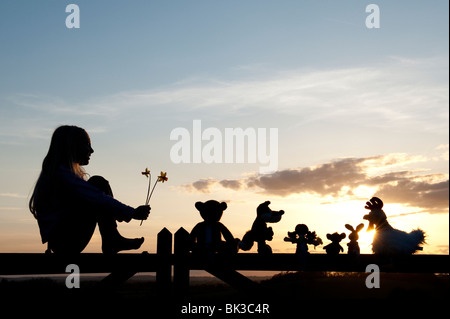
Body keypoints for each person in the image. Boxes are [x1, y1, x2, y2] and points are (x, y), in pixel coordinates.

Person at [29, 125, 150, 255]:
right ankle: (112, 239)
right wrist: (132, 213)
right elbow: (97, 197)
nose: (91, 150)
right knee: (98, 184)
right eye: (86, 145)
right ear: (71, 147)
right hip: (65, 241)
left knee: (97, 188)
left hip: (62, 241)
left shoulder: (58, 173)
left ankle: (112, 239)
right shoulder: (61, 174)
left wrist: (121, 212)